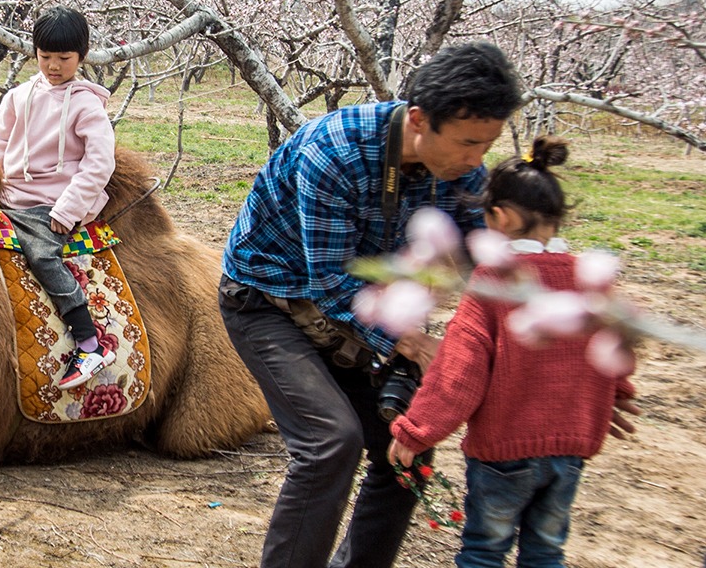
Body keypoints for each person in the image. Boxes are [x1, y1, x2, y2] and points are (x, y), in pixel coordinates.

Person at [218, 41, 523, 568]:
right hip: (267, 301)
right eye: (470, 144)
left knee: (408, 441)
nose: (478, 162)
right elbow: (334, 283)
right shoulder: (333, 150)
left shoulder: (461, 172)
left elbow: (488, 270)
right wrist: (413, 343)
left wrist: (559, 359)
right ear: (422, 120)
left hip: (362, 313)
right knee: (330, 441)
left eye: (487, 145)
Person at [388, 136, 637, 568]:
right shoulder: (589, 279)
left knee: (485, 550)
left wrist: (416, 431)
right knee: (546, 550)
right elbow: (614, 351)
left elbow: (458, 374)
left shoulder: (494, 283)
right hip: (571, 451)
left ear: (498, 217)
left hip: (504, 454)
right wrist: (615, 394)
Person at [0, 5, 117, 390]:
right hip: (11, 195)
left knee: (41, 254)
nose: (54, 66)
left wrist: (69, 208)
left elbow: (99, 162)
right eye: (46, 57)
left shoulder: (86, 104)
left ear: (82, 56)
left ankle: (89, 341)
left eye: (64, 58)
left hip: (56, 202)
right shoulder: (17, 96)